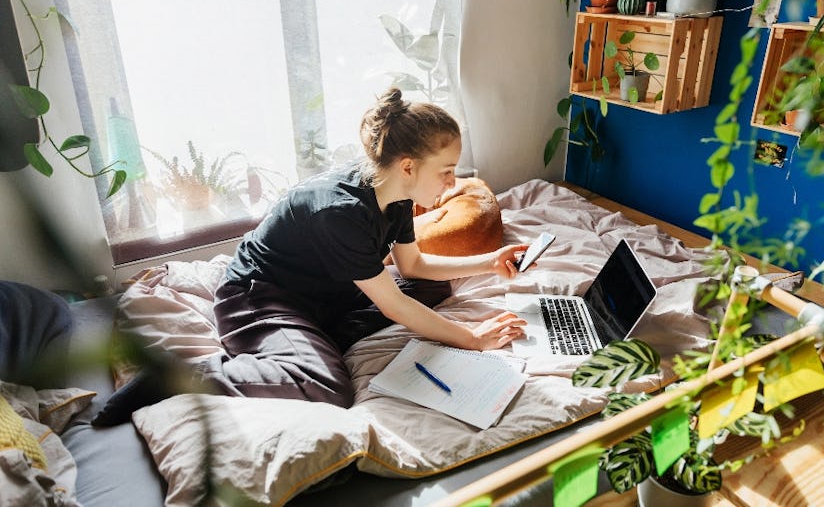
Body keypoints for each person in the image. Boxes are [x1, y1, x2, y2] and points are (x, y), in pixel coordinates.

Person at [91, 87, 530, 426]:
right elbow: (393, 304)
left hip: (325, 293)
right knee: (327, 386)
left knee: (432, 286)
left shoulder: (395, 197)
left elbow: (414, 266)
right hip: (258, 297)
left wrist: (489, 261)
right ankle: (173, 376)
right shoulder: (339, 212)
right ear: (409, 166)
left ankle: (313, 338)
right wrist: (471, 338)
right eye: (447, 172)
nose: (452, 185)